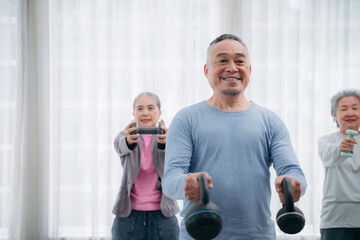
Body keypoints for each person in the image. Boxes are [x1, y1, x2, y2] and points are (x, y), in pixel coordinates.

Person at [161, 34, 307, 239]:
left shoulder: (270, 121)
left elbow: (293, 171)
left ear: (249, 69)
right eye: (222, 61)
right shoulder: (186, 119)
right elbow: (170, 180)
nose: (232, 68)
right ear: (206, 70)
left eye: (239, 61)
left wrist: (292, 182)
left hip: (259, 235)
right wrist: (185, 183)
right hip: (201, 233)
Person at [111, 92, 180, 240]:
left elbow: (176, 158)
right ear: (134, 114)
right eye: (140, 109)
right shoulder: (124, 137)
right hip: (129, 214)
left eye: (150, 108)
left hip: (164, 213)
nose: (145, 113)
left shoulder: (170, 137)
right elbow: (120, 146)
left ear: (159, 112)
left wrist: (168, 143)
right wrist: (129, 140)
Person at [318, 89, 360, 240]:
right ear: (334, 114)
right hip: (335, 221)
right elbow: (327, 156)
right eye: (344, 109)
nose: (350, 113)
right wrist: (341, 148)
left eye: (355, 108)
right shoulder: (326, 141)